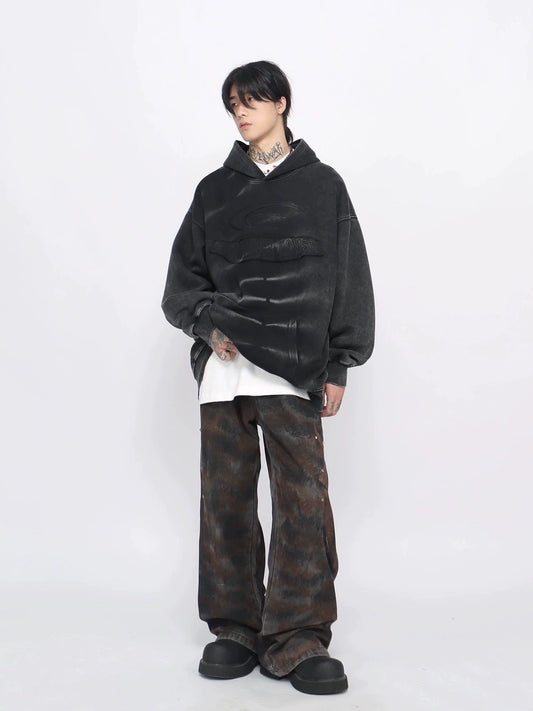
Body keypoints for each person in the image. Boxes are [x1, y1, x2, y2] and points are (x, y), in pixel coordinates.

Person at [161, 59, 375, 695]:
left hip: (295, 367)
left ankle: (298, 636)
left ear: (281, 102)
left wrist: (339, 363)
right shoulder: (213, 191)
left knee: (303, 503)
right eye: (232, 105)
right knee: (225, 500)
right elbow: (180, 285)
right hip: (226, 372)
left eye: (250, 101)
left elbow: (349, 277)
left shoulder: (323, 186)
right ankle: (234, 627)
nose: (240, 113)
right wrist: (208, 327)